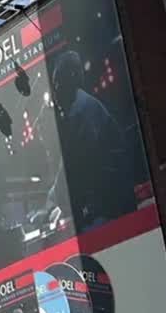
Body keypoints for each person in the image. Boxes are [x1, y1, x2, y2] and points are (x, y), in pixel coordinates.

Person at [40, 50, 135, 232]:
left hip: (111, 210)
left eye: (58, 85)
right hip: (109, 204)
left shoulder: (81, 113)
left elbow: (72, 166)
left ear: (70, 81)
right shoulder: (84, 108)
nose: (55, 93)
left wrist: (52, 204)